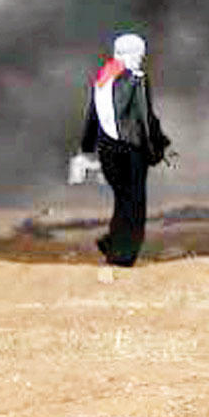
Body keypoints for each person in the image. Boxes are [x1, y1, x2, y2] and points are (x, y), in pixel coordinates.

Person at [75, 32, 172, 267]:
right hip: (130, 149)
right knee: (135, 202)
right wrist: (155, 150)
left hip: (106, 150)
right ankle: (122, 255)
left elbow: (92, 115)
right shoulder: (137, 78)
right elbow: (144, 119)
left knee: (123, 199)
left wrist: (87, 146)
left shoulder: (103, 77)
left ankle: (113, 242)